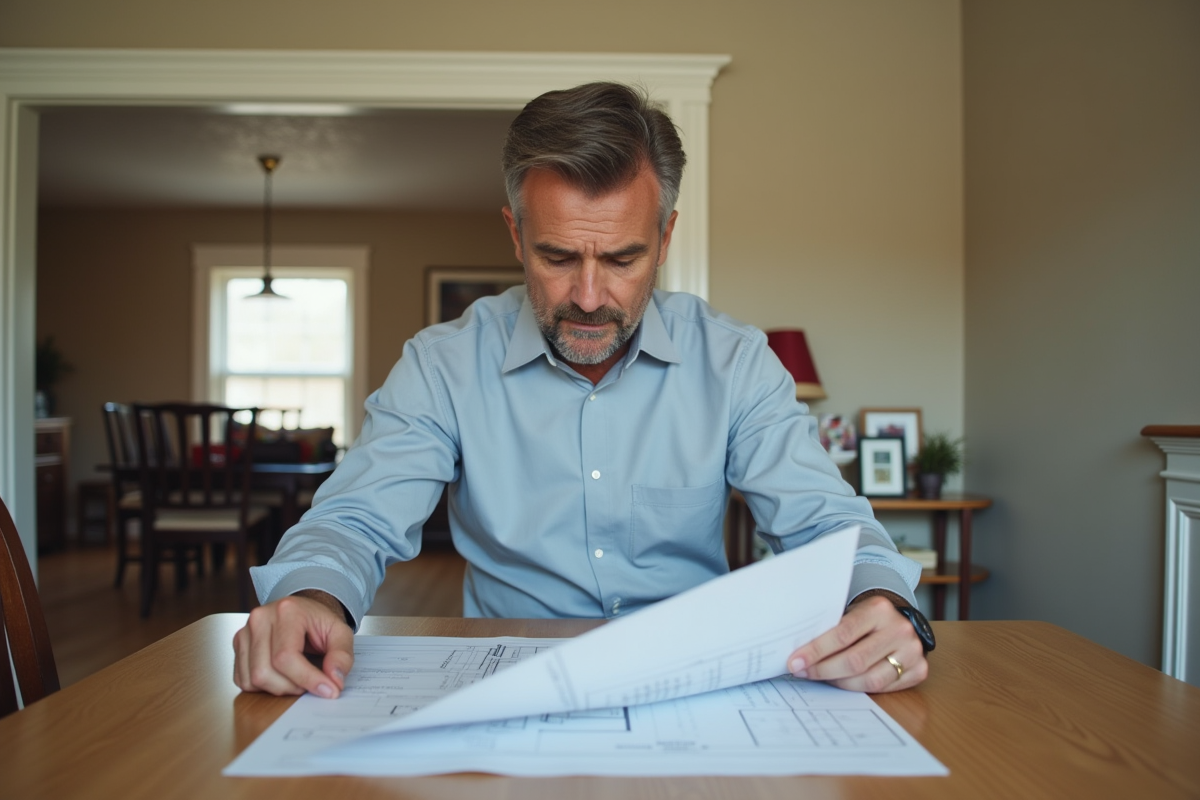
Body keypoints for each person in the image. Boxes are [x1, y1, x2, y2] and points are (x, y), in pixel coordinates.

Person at [233, 82, 931, 702]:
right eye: (558, 256)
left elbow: (827, 525)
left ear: (664, 239)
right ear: (515, 234)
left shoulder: (735, 362)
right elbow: (356, 519)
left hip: (694, 689)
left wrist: (878, 599)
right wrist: (310, 595)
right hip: (503, 687)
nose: (590, 298)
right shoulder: (441, 366)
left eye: (623, 258)